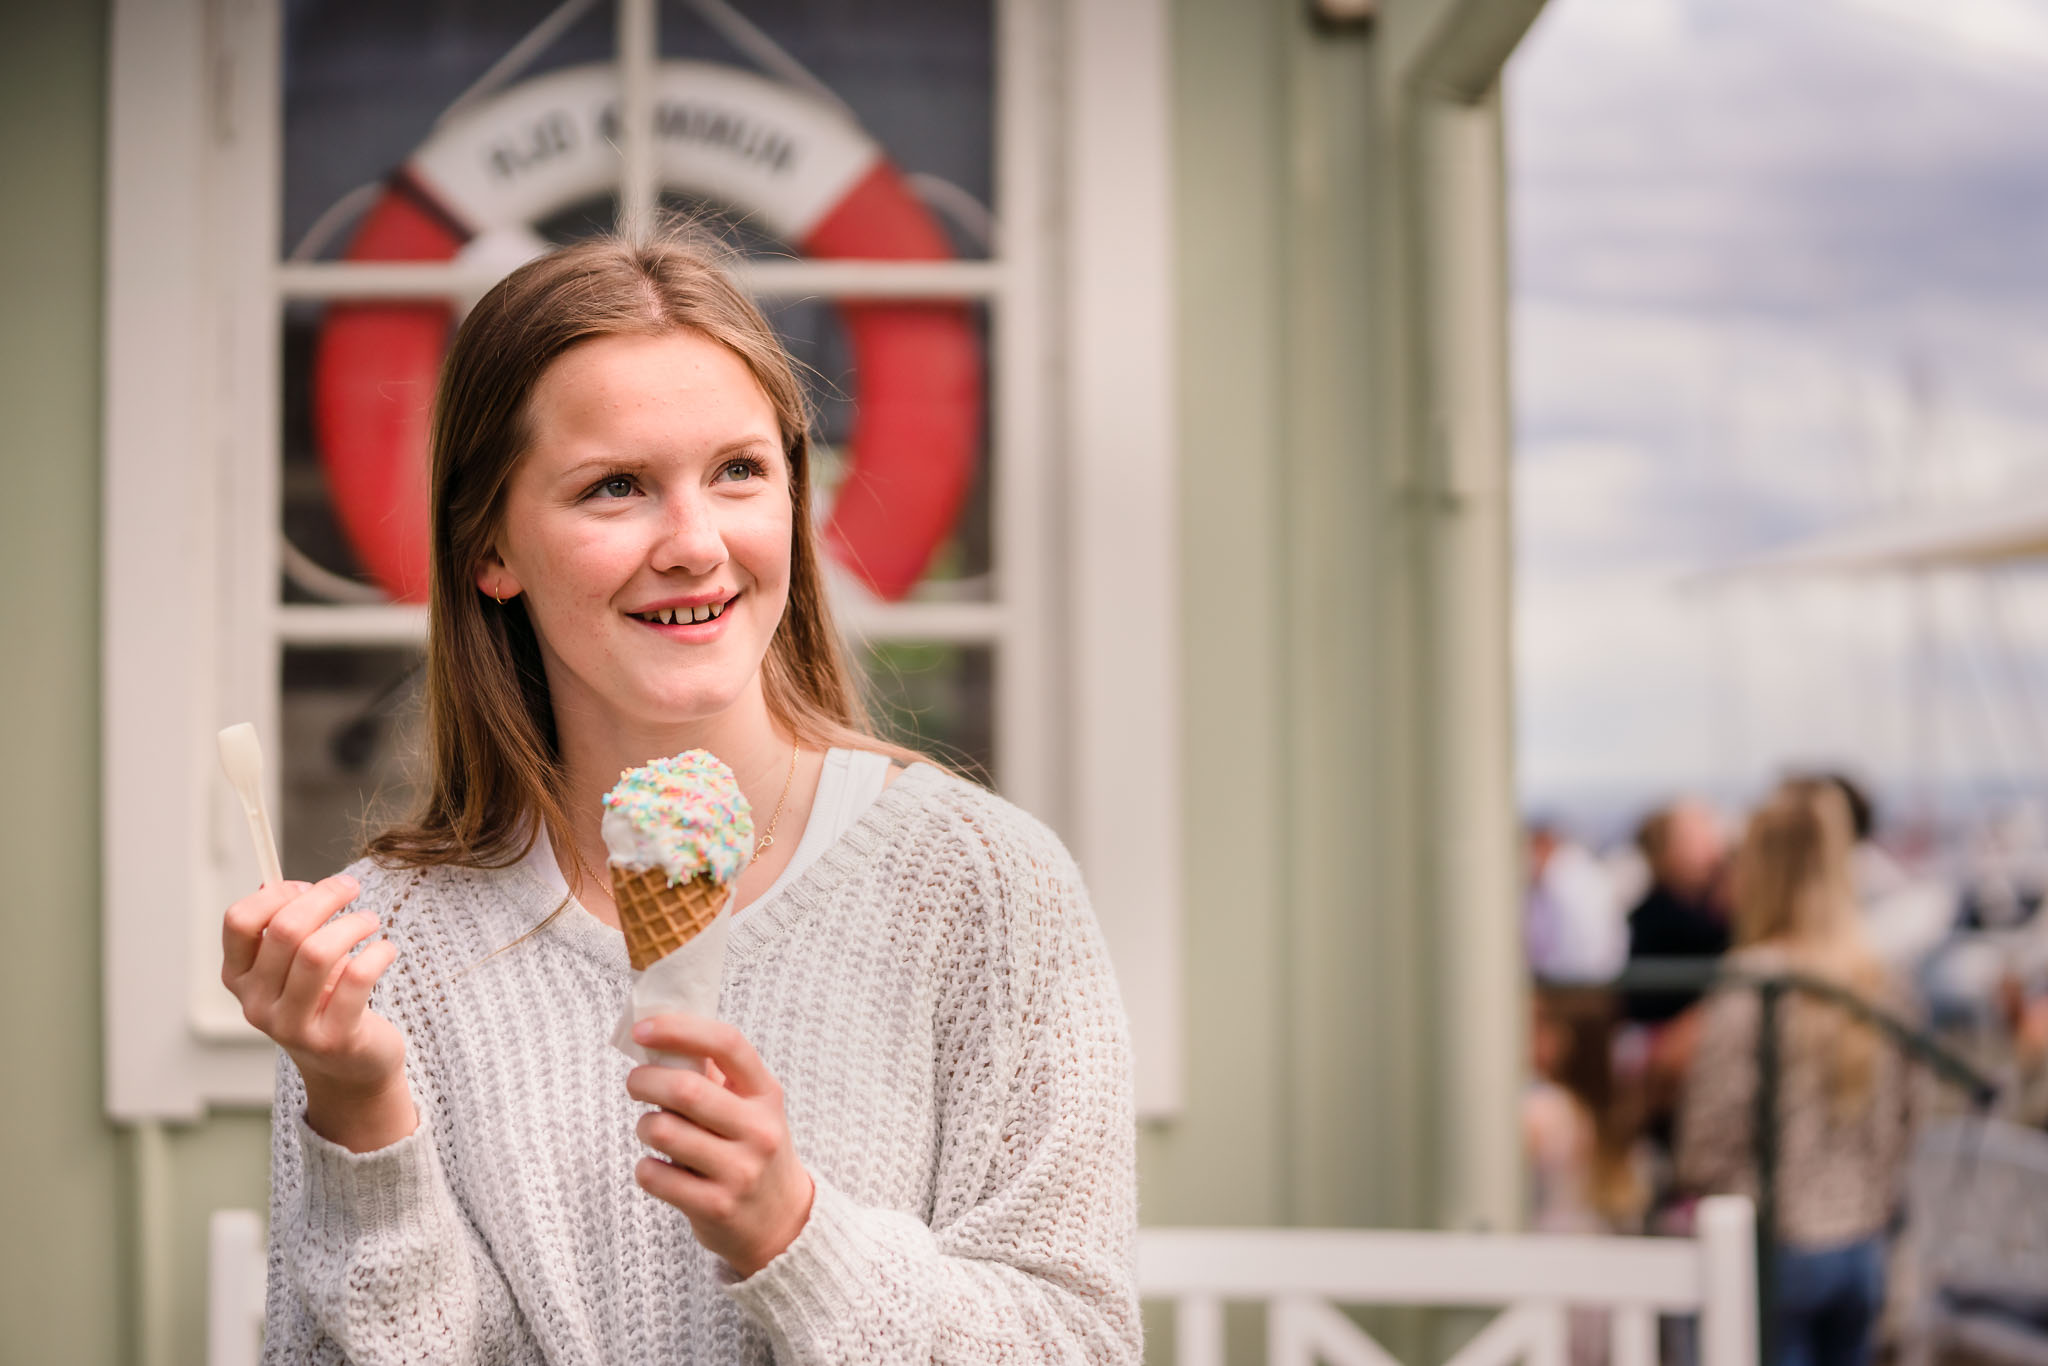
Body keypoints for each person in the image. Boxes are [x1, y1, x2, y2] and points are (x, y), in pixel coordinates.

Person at [220, 234, 1140, 1364]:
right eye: (616, 487)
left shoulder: (987, 886)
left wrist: (795, 1237)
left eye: (739, 472)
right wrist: (359, 1113)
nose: (696, 544)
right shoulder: (382, 953)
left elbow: (1076, 1341)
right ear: (488, 548)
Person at [1676, 780, 1917, 1366]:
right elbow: (1908, 1115)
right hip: (1860, 1241)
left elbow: (1708, 1137)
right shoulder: (1878, 980)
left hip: (1778, 1246)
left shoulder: (1755, 985)